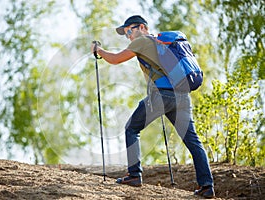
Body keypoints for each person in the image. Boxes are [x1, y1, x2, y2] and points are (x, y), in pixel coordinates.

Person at [91, 15, 215, 198]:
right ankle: (207, 186)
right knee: (193, 141)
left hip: (162, 96)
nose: (129, 37)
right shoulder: (161, 43)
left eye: (129, 31)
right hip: (182, 96)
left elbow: (116, 59)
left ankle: (134, 175)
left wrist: (99, 50)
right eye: (126, 34)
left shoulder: (142, 41)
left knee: (131, 128)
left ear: (142, 27)